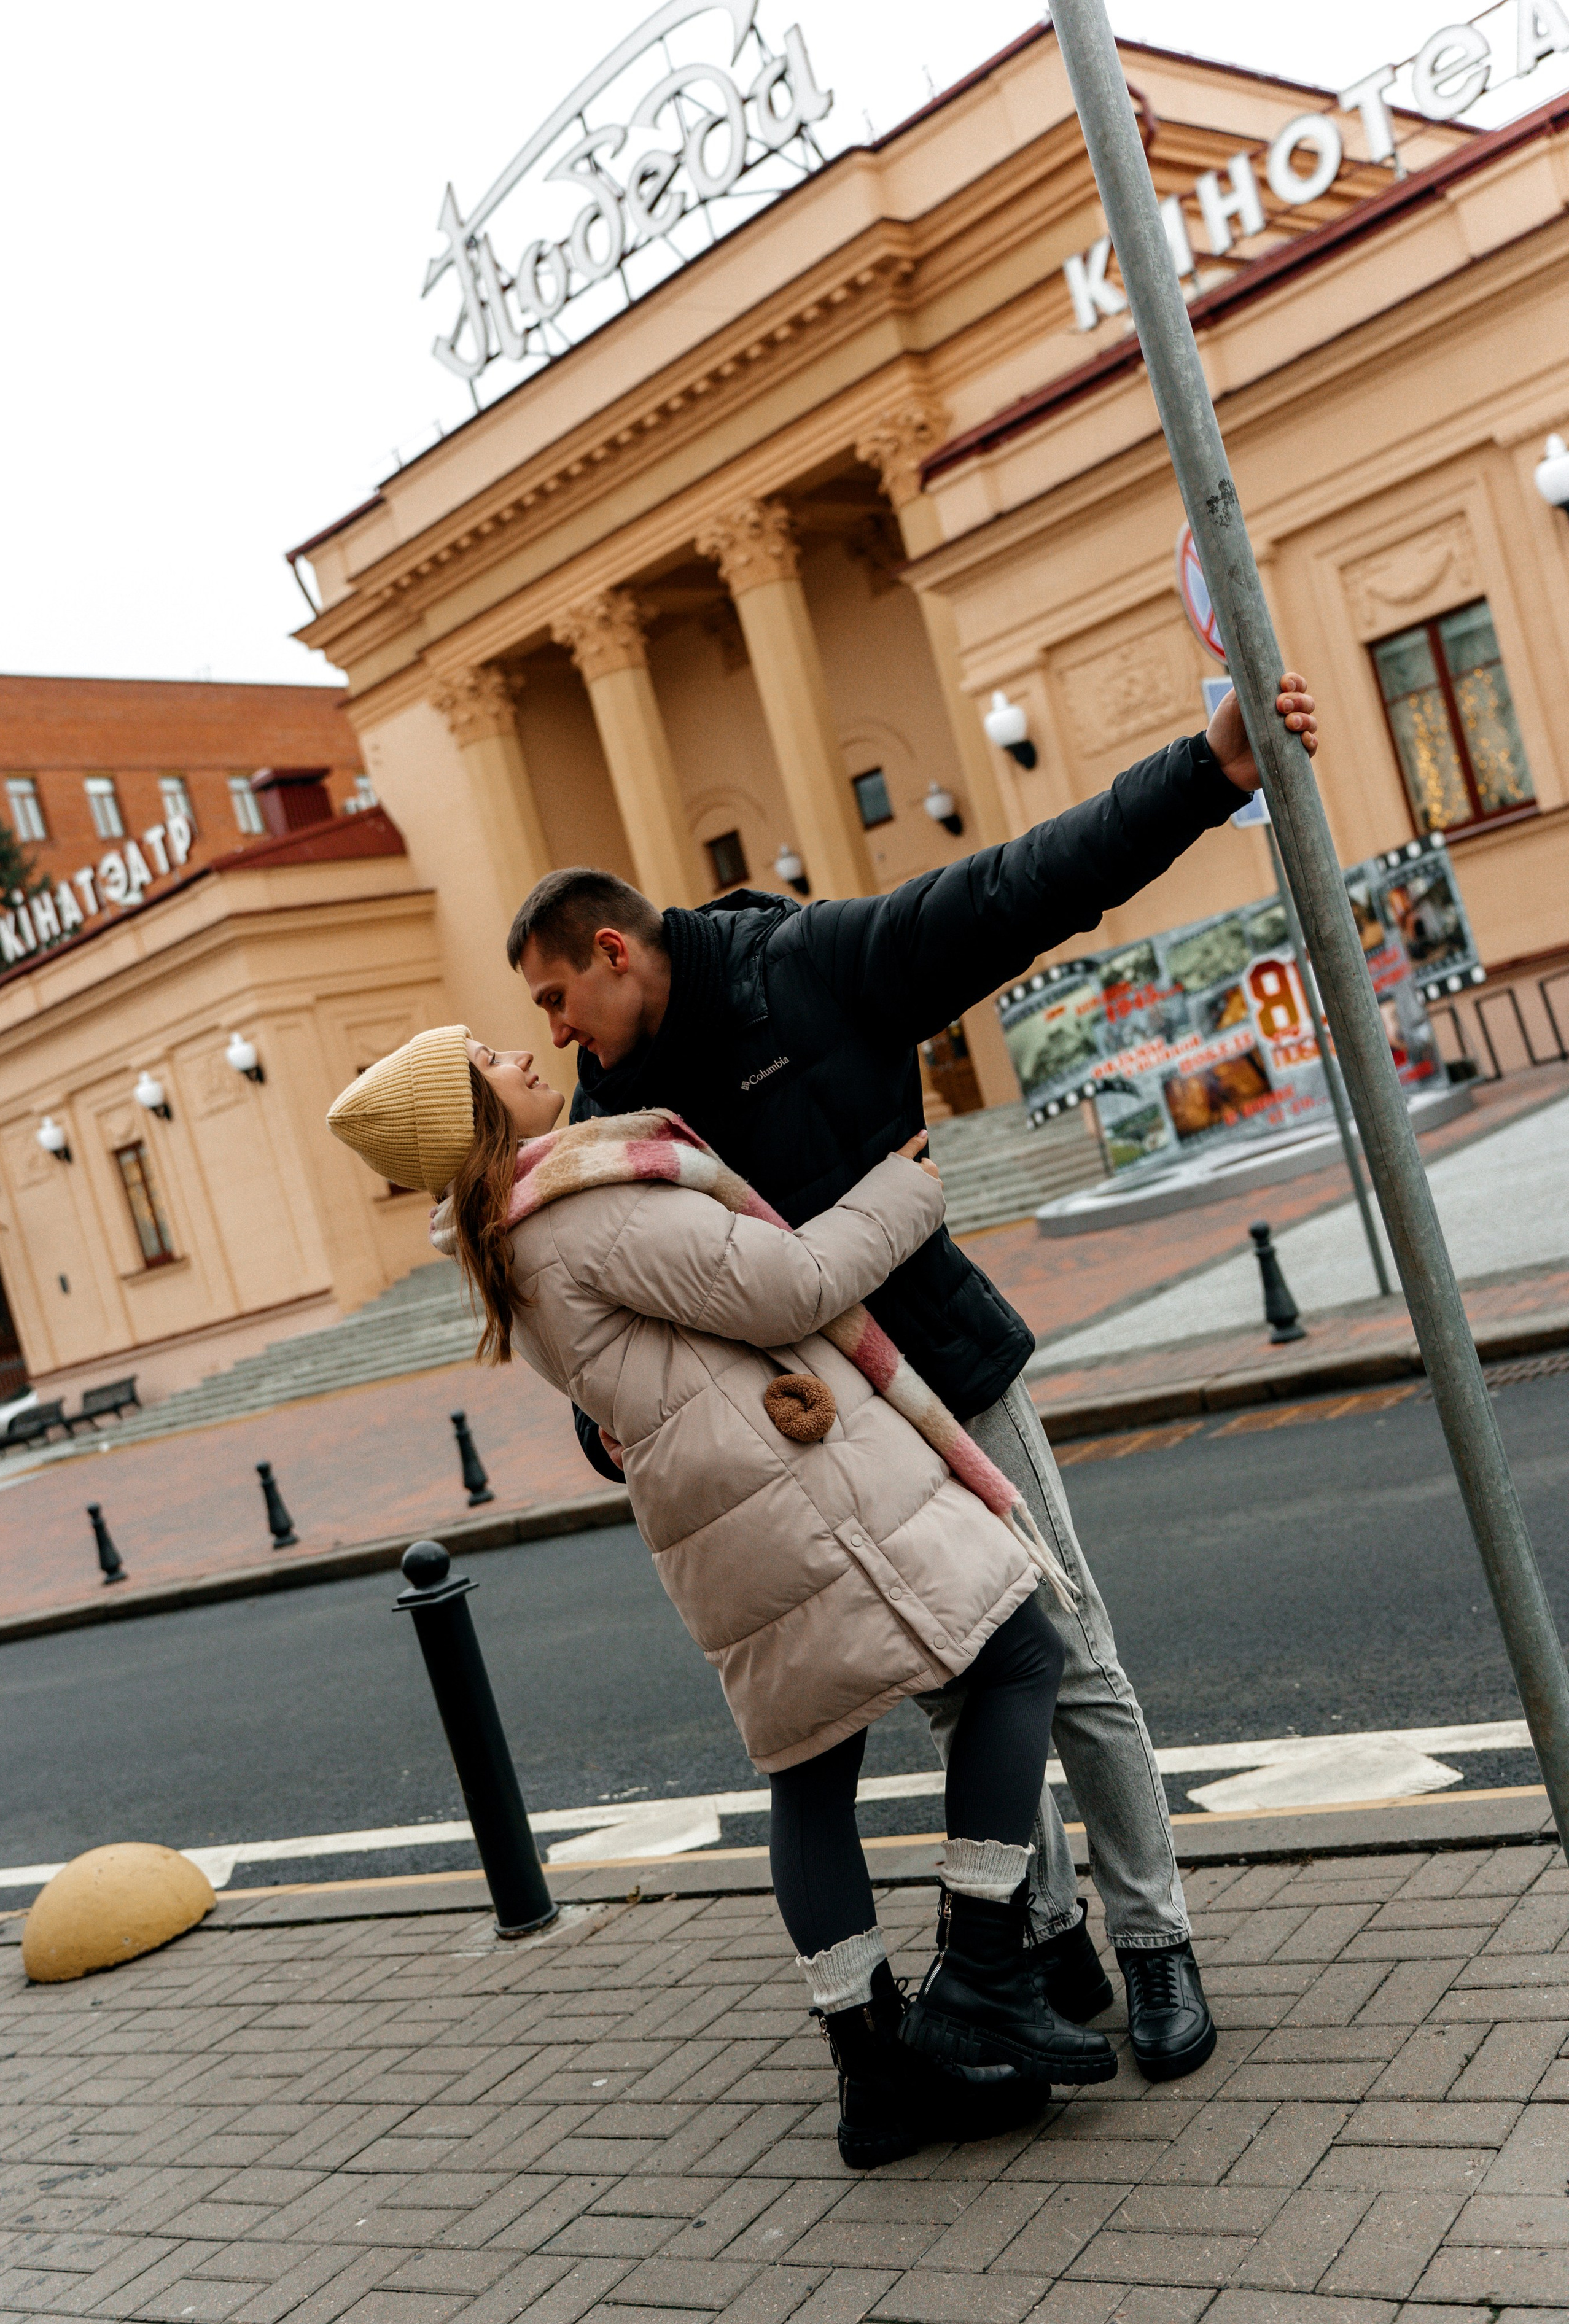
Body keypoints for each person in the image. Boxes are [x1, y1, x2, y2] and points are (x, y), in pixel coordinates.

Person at [511, 674, 1320, 2082]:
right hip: (824, 1432)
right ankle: (1046, 1943)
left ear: (611, 951)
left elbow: (1021, 886)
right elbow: (631, 1314)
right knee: (966, 1689)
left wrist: (1206, 770)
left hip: (941, 1356)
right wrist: (606, 1417)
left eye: (554, 998)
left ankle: (1155, 1944)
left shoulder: (805, 964)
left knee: (1068, 1656)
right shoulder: (610, 1118)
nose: (554, 1030)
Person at [326, 1027, 1121, 2168]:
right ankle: (987, 1975)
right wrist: (905, 1185)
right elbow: (788, 1283)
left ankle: (876, 2076)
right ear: (474, 1118)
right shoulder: (576, 1209)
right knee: (1020, 1657)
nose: (521, 1050)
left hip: (726, 1521)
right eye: (491, 1057)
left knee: (810, 1769)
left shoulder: (508, 1239)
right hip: (793, 1494)